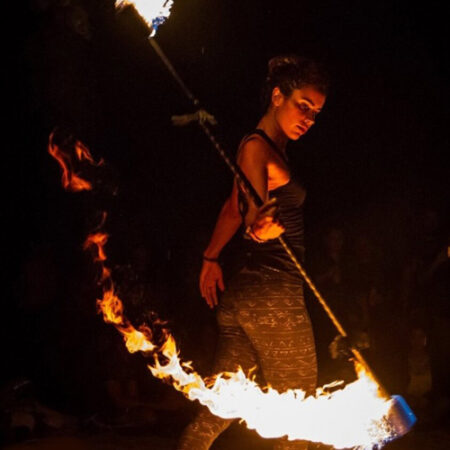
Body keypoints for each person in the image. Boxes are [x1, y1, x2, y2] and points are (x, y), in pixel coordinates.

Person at [177, 55, 329, 450]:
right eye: (303, 106)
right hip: (272, 293)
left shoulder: (268, 147)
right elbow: (250, 214)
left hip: (246, 297)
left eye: (316, 112)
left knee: (219, 409)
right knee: (300, 415)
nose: (309, 119)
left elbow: (232, 207)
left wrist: (210, 258)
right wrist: (259, 230)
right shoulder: (256, 149)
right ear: (277, 96)